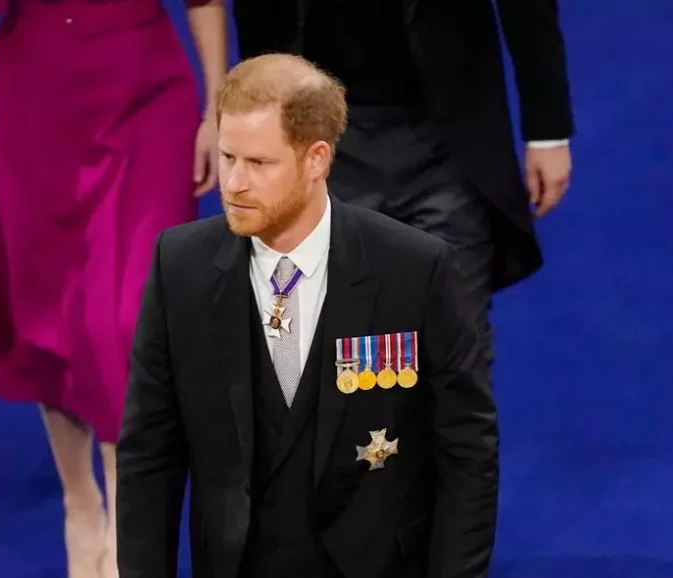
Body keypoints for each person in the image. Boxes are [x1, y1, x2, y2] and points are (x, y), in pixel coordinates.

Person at [116, 54, 499, 578]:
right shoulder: (178, 267)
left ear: (316, 158)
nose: (234, 183)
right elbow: (148, 457)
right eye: (228, 157)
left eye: (259, 163)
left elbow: (466, 453)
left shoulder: (415, 269)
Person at [0, 1, 227, 576]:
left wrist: (217, 108)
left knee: (127, 319)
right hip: (28, 114)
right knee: (49, 319)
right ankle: (80, 501)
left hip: (147, 104)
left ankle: (128, 529)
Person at [232, 0, 575, 349]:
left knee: (455, 346)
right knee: (332, 352)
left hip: (448, 139)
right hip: (318, 140)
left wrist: (548, 132)